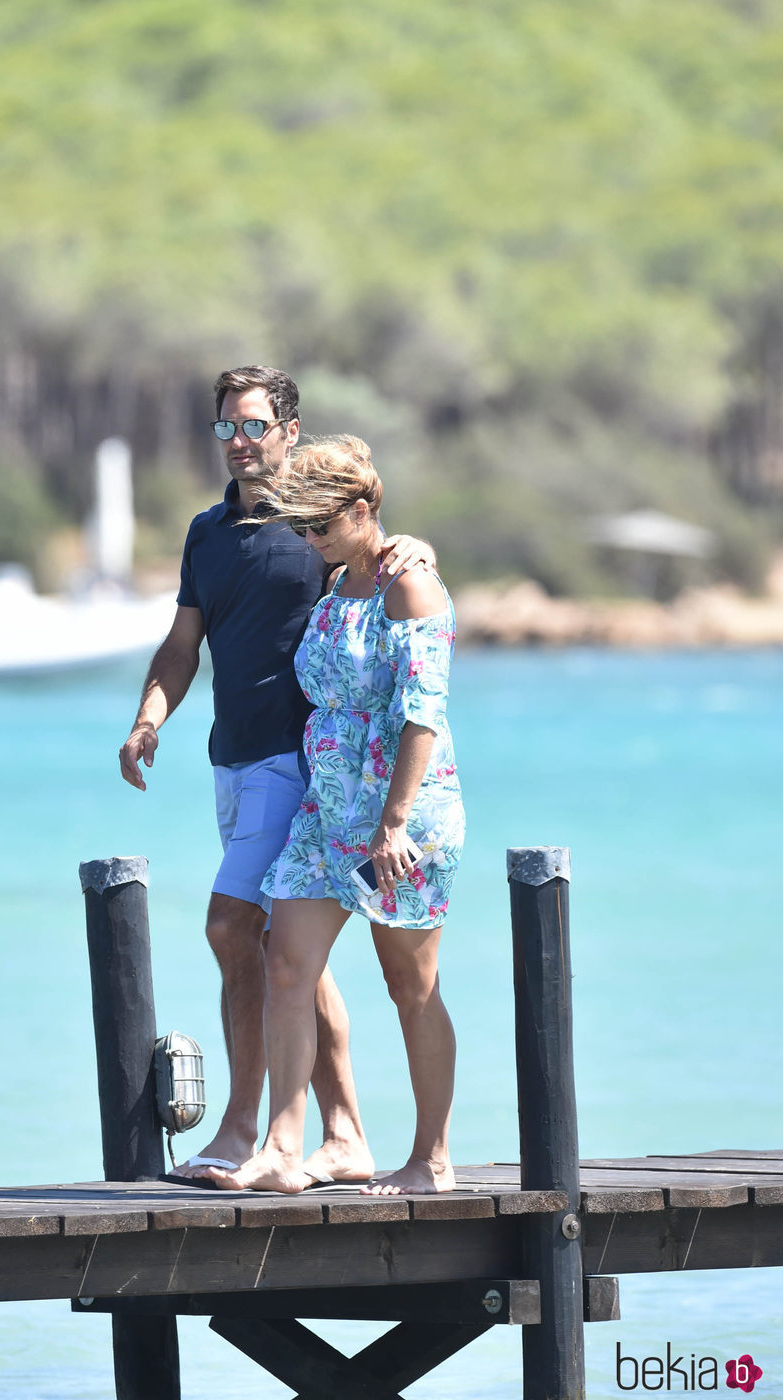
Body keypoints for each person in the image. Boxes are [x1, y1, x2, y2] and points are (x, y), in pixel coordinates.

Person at [118, 367, 434, 1184]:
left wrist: (414, 548)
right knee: (288, 952)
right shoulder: (207, 532)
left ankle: (241, 1130)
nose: (238, 442)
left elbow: (383, 557)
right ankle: (345, 1134)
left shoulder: (316, 527)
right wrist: (151, 715)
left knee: (232, 928)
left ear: (290, 432)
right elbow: (184, 645)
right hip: (233, 756)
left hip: (299, 764)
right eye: (226, 427)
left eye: (254, 425)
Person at [207, 435, 464, 1197]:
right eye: (303, 529)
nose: (309, 541)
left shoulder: (409, 586)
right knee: (285, 961)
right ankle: (286, 1150)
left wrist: (393, 824)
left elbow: (422, 715)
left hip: (403, 820)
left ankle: (432, 1159)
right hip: (328, 811)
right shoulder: (337, 579)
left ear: (361, 511)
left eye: (321, 527)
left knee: (408, 985)